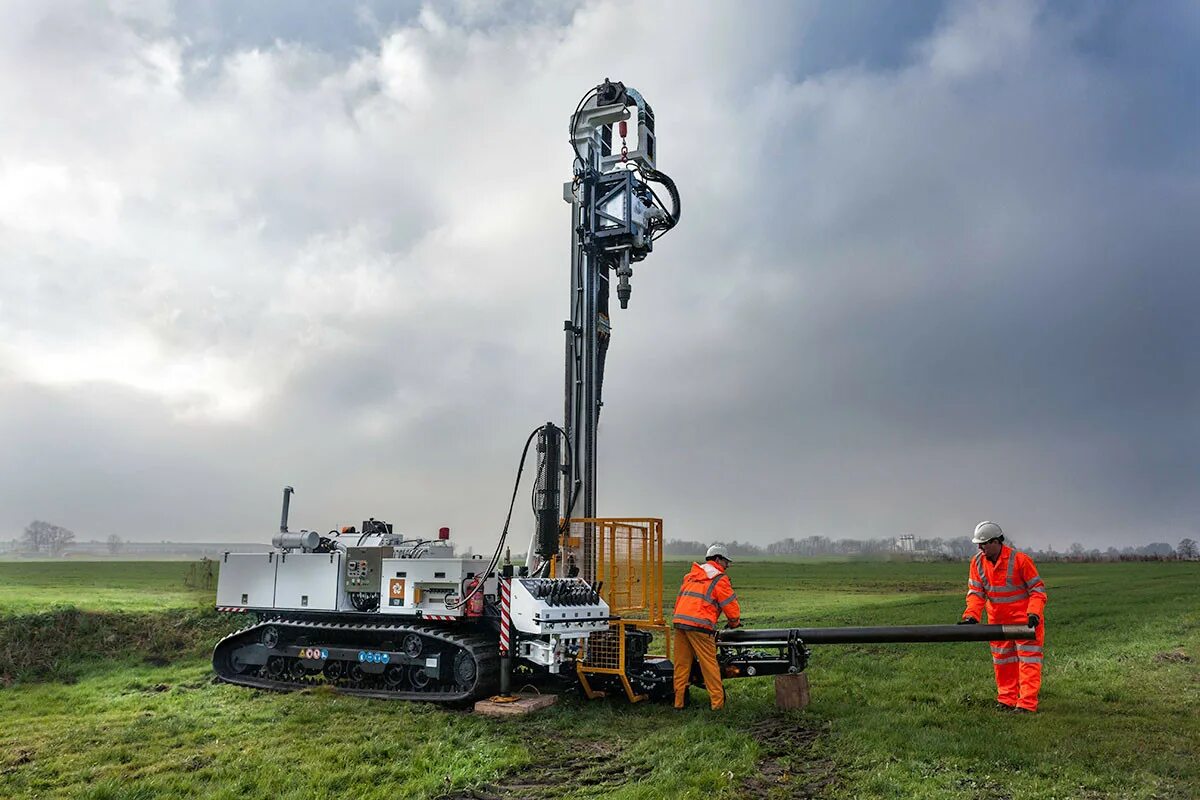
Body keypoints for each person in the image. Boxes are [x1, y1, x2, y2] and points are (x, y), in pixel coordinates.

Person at [957, 521, 1047, 713]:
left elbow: (1037, 591)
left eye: (984, 543)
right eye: (978, 544)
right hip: (997, 622)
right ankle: (1006, 700)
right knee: (1003, 662)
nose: (980, 548)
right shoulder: (977, 562)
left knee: (1028, 662)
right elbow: (976, 593)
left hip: (1026, 622)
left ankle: (1026, 704)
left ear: (997, 542)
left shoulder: (1021, 560)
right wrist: (971, 616)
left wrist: (1034, 613)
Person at [671, 543, 741, 710]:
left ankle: (679, 703)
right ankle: (717, 705)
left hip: (681, 623)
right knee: (709, 665)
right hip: (700, 626)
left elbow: (681, 599)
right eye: (726, 562)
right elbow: (730, 605)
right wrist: (734, 623)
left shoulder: (691, 575)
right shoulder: (719, 578)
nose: (727, 566)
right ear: (717, 559)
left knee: (681, 665)